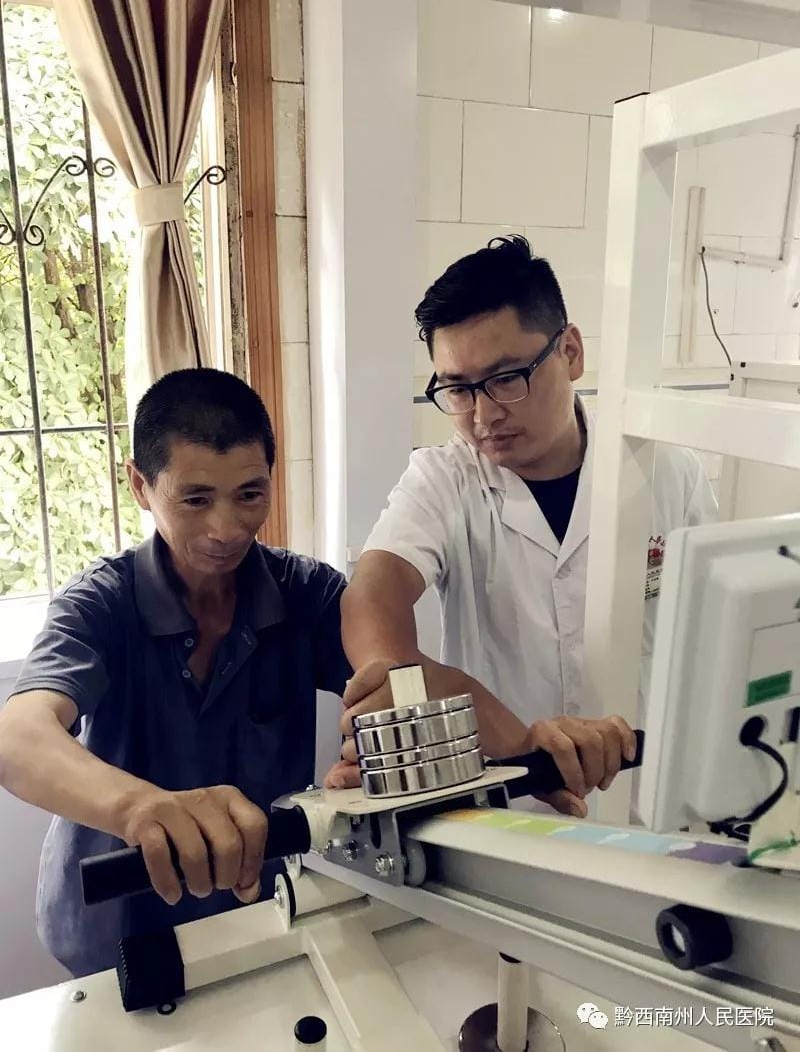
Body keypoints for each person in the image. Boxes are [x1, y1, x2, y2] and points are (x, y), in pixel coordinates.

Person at [331, 236, 717, 812]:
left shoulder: (668, 472)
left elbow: (713, 633)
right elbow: (372, 595)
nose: (483, 415)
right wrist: (401, 683)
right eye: (457, 389)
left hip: (649, 797)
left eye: (507, 378)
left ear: (571, 352)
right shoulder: (445, 478)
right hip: (510, 800)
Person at [0, 368, 354, 978]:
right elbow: (18, 738)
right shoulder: (99, 604)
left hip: (258, 914)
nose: (227, 529)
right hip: (115, 929)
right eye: (196, 500)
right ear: (140, 485)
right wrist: (140, 808)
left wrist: (374, 746)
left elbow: (391, 682)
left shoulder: (307, 593)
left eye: (250, 494)